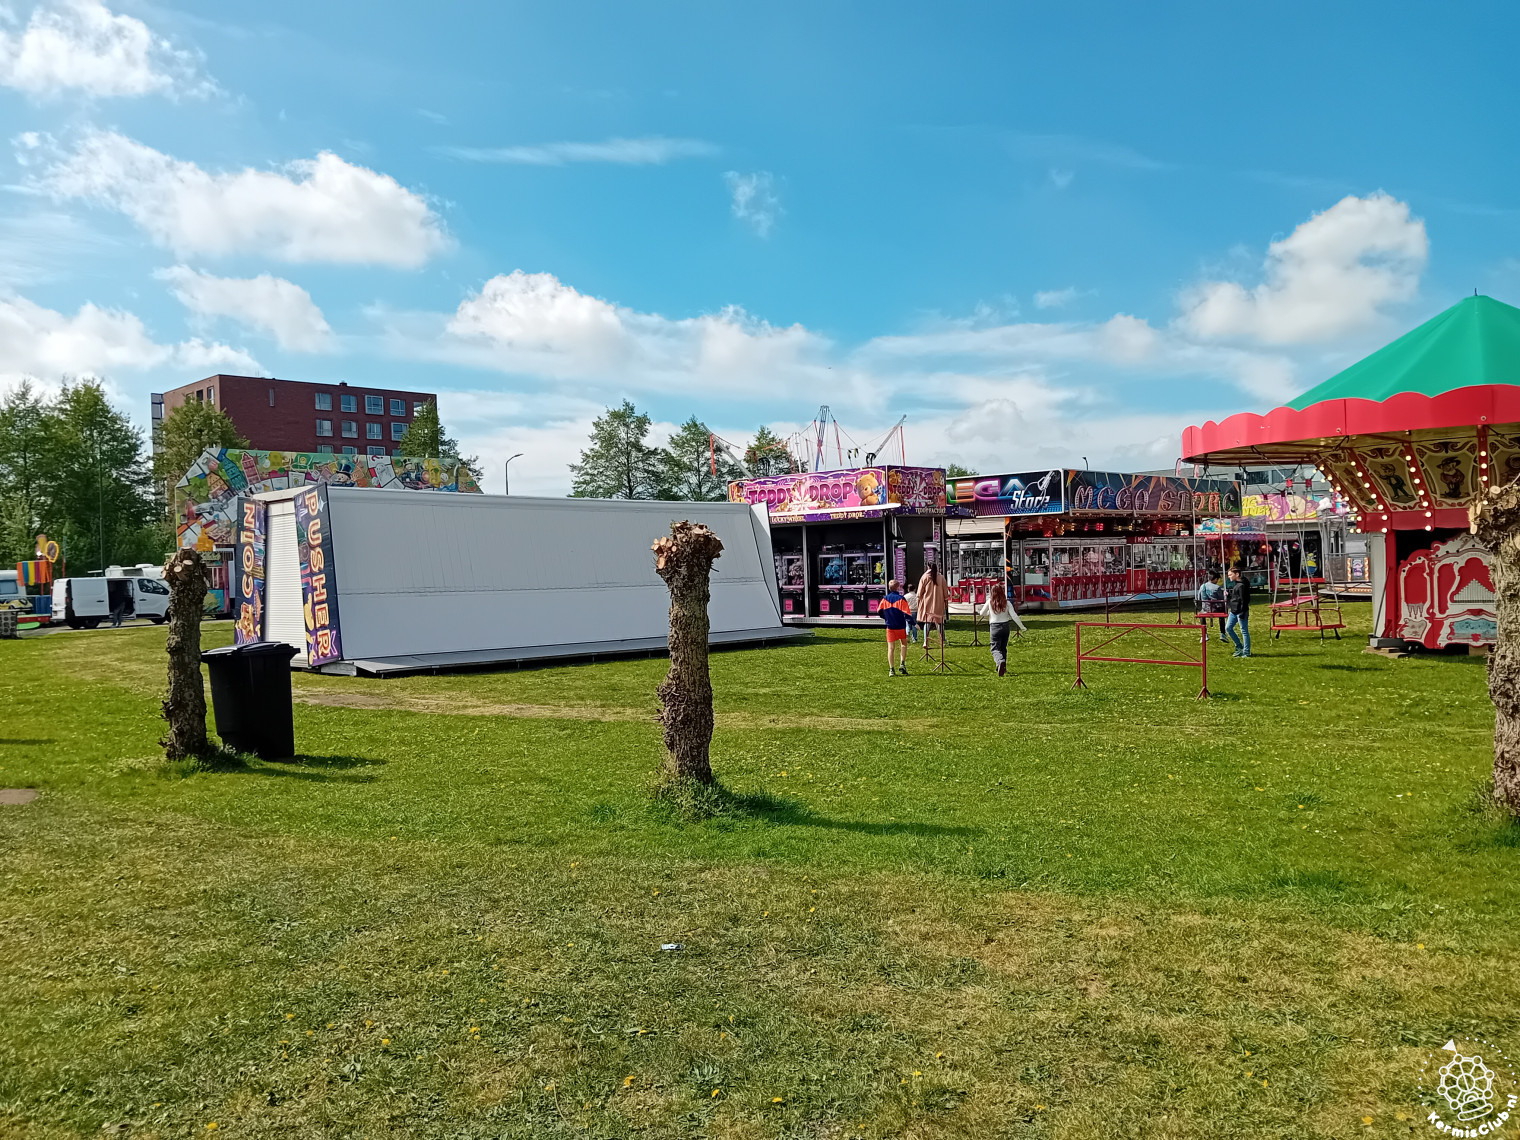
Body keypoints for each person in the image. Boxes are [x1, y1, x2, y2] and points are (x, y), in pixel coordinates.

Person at [979, 581, 1024, 676]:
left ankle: (1000, 662)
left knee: (995, 648)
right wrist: (1022, 627)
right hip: (1005, 626)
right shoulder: (1007, 603)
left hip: (995, 627)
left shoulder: (990, 601)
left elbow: (981, 613)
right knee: (1003, 648)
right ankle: (1003, 667)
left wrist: (989, 613)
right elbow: (1014, 615)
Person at [878, 578, 912, 675]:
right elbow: (907, 613)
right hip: (900, 625)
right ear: (898, 588)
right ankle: (902, 663)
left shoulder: (885, 599)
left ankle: (891, 669)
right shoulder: (901, 599)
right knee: (904, 643)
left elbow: (879, 610)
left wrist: (886, 617)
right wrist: (913, 623)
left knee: (891, 648)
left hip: (890, 626)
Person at [916, 563, 948, 651]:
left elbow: (919, 592)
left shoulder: (924, 577)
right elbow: (945, 591)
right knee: (940, 622)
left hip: (927, 603)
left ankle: (925, 642)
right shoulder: (941, 577)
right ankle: (942, 640)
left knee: (927, 622)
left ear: (928, 567)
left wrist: (919, 601)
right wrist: (946, 602)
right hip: (939, 602)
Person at [1225, 566, 1252, 658]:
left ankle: (1246, 651)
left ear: (1237, 574)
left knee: (1244, 630)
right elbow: (1236, 597)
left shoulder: (1242, 585)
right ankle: (1239, 646)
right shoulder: (1237, 584)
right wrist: (1229, 596)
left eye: (1230, 575)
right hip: (1233, 611)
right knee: (1228, 628)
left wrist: (1242, 612)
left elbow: (1244, 600)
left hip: (1241, 611)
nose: (1229, 577)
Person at [1196, 570, 1227, 642]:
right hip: (1216, 609)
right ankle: (1223, 633)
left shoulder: (1202, 586)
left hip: (1205, 609)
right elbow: (1221, 598)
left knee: (1201, 614)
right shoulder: (1217, 588)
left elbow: (1198, 598)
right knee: (1222, 613)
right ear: (1215, 579)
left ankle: (1204, 634)